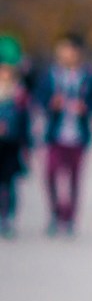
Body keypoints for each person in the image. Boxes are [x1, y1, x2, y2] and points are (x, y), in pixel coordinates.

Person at [36, 33, 92, 235]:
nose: (66, 54)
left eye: (69, 50)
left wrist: (86, 108)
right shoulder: (51, 76)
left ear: (77, 52)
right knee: (50, 175)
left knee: (74, 179)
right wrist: (51, 104)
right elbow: (39, 98)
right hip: (55, 134)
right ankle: (55, 214)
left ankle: (70, 218)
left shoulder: (88, 76)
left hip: (78, 135)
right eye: (62, 50)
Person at [0, 54, 32, 239]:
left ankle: (8, 217)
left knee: (9, 183)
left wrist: (27, 146)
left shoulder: (19, 95)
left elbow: (25, 122)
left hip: (12, 144)